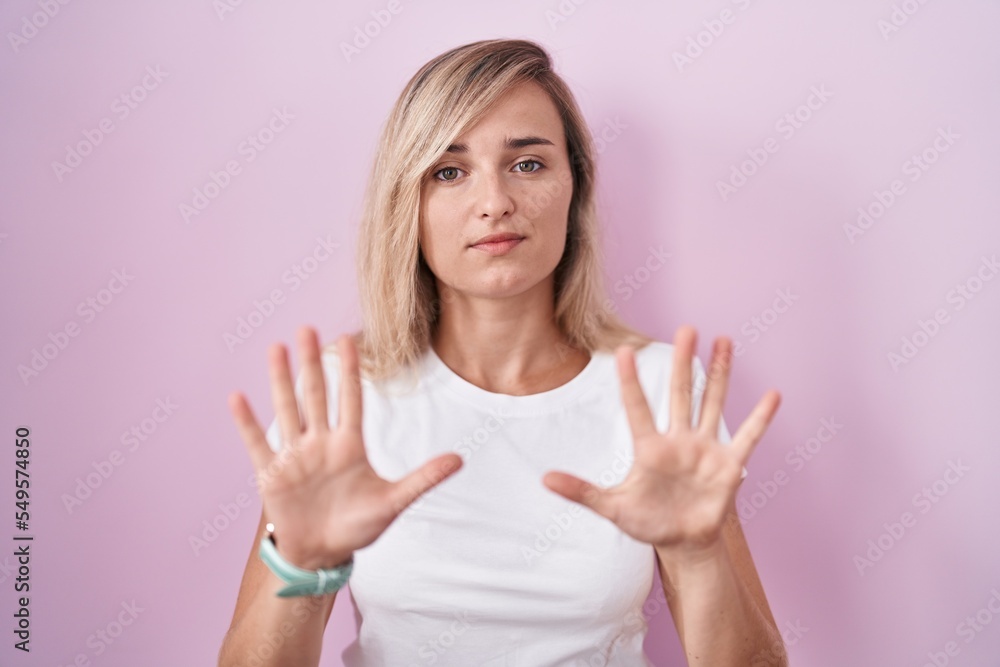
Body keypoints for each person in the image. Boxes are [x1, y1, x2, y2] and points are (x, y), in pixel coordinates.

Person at [218, 38, 787, 667]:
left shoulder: (660, 389)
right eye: (449, 171)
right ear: (407, 202)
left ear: (575, 188)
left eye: (528, 164)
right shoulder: (342, 396)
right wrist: (302, 564)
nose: (494, 203)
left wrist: (699, 557)